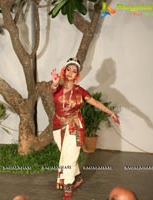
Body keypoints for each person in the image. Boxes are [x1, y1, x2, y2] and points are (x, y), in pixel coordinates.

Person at [50, 57, 120, 199]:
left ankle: (68, 187)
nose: (70, 72)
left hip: (74, 125)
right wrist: (54, 82)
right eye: (68, 69)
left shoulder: (79, 91)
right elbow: (52, 89)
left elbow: (94, 102)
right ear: (64, 71)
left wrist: (110, 112)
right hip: (58, 125)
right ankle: (78, 177)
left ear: (77, 75)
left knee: (69, 157)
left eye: (74, 71)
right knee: (65, 154)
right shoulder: (57, 86)